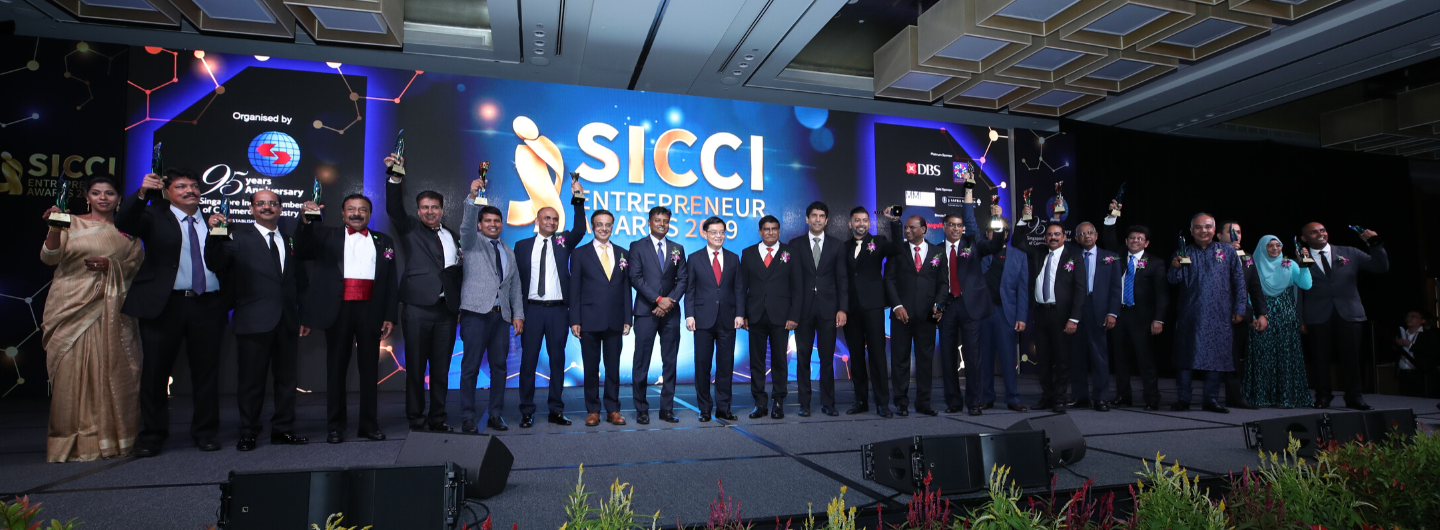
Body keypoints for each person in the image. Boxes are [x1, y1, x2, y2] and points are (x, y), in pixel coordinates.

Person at [116, 168, 230, 457]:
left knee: (206, 373)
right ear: (168, 192)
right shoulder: (153, 215)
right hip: (165, 305)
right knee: (155, 372)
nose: (190, 190)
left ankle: (205, 433)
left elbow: (227, 260)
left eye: (194, 185)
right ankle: (153, 434)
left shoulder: (216, 220)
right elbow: (124, 220)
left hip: (208, 305)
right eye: (181, 186)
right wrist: (142, 193)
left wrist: (223, 232)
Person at [40, 176, 144, 462]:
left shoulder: (128, 232)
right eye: (96, 193)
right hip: (71, 309)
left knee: (114, 372)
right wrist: (54, 228)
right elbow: (50, 258)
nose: (103, 198)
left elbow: (136, 266)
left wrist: (111, 265)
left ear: (119, 199)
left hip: (113, 312)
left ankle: (111, 440)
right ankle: (67, 443)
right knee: (70, 377)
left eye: (109, 193)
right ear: (87, 197)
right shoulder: (69, 222)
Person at [205, 190, 308, 451]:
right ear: (251, 209)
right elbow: (215, 262)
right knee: (251, 381)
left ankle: (283, 429)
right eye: (260, 203)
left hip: (286, 320)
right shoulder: (237, 237)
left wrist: (302, 315)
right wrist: (213, 234)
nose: (266, 207)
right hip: (252, 321)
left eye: (272, 203)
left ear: (281, 209)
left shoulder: (289, 240)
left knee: (287, 380)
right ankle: (249, 432)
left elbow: (297, 282)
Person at [298, 194, 399, 443]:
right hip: (337, 310)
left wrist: (389, 316)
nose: (356, 213)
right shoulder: (325, 235)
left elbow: (389, 283)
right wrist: (305, 221)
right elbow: (302, 249)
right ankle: (335, 427)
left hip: (371, 311)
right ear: (342, 214)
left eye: (362, 210)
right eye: (351, 209)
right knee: (336, 370)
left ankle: (368, 425)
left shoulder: (383, 241)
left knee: (369, 370)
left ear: (369, 214)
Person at [384, 154, 462, 433]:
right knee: (415, 368)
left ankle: (437, 418)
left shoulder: (452, 235)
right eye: (425, 207)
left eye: (435, 207)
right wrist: (395, 177)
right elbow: (393, 207)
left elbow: (456, 271)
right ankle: (416, 419)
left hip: (447, 312)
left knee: (441, 370)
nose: (430, 211)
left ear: (442, 209)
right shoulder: (409, 229)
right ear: (418, 211)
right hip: (417, 308)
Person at [514, 179, 587, 428]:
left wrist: (578, 199)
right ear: (537, 220)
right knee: (528, 362)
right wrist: (518, 313)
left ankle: (556, 409)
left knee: (557, 362)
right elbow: (516, 283)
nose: (551, 223)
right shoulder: (521, 246)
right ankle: (527, 410)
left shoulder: (562, 241)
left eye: (555, 220)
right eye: (547, 219)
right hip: (532, 311)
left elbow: (580, 229)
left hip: (558, 311)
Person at [457, 178, 524, 432]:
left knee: (499, 368)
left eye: (497, 221)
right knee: (470, 367)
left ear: (502, 224)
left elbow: (515, 285)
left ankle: (495, 414)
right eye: (488, 221)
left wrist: (518, 315)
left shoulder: (509, 251)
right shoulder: (472, 244)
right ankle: (467, 416)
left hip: (501, 318)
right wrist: (472, 197)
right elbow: (464, 227)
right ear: (480, 224)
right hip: (475, 314)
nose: (493, 224)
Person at [1299, 222, 1387, 410]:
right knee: (1320, 359)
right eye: (1313, 232)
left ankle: (1354, 397)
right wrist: (1301, 319)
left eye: (1323, 230)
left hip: (1349, 313)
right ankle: (1323, 396)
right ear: (1304, 238)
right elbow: (1297, 291)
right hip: (1316, 314)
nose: (1320, 234)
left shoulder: (1349, 252)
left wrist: (1375, 243)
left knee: (1352, 358)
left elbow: (1380, 267)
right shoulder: (1300, 258)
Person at [1168, 213, 1249, 413]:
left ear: (1214, 230)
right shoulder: (1183, 251)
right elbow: (1172, 280)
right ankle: (1183, 399)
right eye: (1198, 227)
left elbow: (1239, 282)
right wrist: (1175, 265)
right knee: (1186, 358)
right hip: (1191, 314)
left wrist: (1240, 309)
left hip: (1220, 315)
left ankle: (1211, 400)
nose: (1203, 231)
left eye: (1207, 227)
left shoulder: (1228, 251)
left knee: (1217, 357)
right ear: (1191, 231)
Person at [936, 200, 1006, 416]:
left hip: (971, 307)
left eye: (959, 225)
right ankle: (954, 401)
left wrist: (998, 225)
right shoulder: (936, 251)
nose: (956, 228)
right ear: (944, 227)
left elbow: (995, 246)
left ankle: (974, 402)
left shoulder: (973, 243)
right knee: (947, 358)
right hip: (947, 307)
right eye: (952, 225)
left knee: (973, 357)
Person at [1013, 208, 1086, 414]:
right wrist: (1023, 220)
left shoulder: (1075, 256)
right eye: (1050, 235)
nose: (1053, 237)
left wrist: (1074, 318)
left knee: (1062, 360)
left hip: (1062, 315)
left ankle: (1060, 399)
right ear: (1045, 238)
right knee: (1043, 359)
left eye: (1057, 234)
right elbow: (1018, 241)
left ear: (1064, 236)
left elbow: (1080, 290)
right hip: (1040, 313)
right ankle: (1047, 397)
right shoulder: (1038, 253)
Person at [1101, 207, 1168, 410]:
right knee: (1120, 360)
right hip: (1118, 315)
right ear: (1127, 241)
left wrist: (1159, 319)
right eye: (1132, 238)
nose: (1135, 241)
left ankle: (1152, 399)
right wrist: (1111, 216)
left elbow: (1162, 295)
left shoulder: (1155, 263)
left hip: (1142, 318)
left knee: (1145, 360)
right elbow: (1109, 237)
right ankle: (1123, 396)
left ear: (1146, 243)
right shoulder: (1118, 256)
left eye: (1140, 239)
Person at [570, 209, 632, 427]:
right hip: (588, 319)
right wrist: (575, 319)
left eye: (608, 224)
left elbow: (626, 288)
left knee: (613, 367)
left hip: (615, 319)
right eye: (599, 224)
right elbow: (574, 289)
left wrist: (628, 317)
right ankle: (593, 410)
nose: (604, 228)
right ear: (592, 227)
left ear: (612, 226)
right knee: (591, 367)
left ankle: (613, 409)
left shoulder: (624, 253)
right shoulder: (579, 254)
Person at [841, 206, 904, 417]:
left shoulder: (879, 242)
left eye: (865, 220)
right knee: (856, 356)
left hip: (873, 307)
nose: (861, 224)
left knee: (877, 356)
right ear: (850, 224)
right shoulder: (843, 247)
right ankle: (861, 401)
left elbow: (897, 248)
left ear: (869, 223)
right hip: (851, 309)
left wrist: (894, 222)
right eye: (857, 220)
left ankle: (882, 403)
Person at [883, 215, 948, 416]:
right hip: (902, 314)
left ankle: (923, 402)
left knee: (925, 361)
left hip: (928, 314)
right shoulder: (897, 251)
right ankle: (901, 402)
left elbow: (943, 283)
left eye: (912, 228)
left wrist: (939, 306)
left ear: (924, 229)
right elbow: (889, 281)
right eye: (906, 228)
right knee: (900, 360)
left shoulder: (938, 252)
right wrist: (897, 306)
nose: (908, 231)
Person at [627, 206, 686, 425]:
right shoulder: (637, 246)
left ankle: (666, 409)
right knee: (641, 361)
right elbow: (635, 277)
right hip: (645, 311)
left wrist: (669, 302)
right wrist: (658, 300)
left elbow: (683, 280)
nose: (662, 224)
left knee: (670, 361)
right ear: (649, 222)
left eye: (666, 221)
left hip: (670, 313)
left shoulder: (677, 248)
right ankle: (641, 408)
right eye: (657, 220)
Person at [789, 202, 848, 417]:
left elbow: (842, 280)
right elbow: (791, 281)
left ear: (827, 220)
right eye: (813, 215)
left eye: (822, 216)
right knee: (802, 357)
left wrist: (842, 309)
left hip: (828, 310)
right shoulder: (794, 245)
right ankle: (804, 404)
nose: (817, 219)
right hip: (803, 311)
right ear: (806, 219)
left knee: (826, 359)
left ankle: (828, 403)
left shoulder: (837, 245)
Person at [685, 217, 745, 422]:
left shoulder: (733, 258)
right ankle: (704, 408)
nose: (718, 236)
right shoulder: (694, 258)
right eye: (714, 232)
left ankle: (724, 407)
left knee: (725, 365)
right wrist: (689, 315)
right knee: (702, 365)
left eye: (722, 232)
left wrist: (740, 314)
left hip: (728, 319)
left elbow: (739, 289)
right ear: (705, 234)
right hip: (702, 319)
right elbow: (690, 289)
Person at [740, 215, 800, 419]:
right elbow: (741, 288)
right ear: (760, 232)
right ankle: (760, 403)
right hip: (755, 316)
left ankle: (778, 401)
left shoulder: (790, 253)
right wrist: (743, 314)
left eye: (774, 229)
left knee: (779, 361)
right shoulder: (747, 253)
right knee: (757, 362)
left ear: (779, 231)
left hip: (781, 317)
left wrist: (794, 315)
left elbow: (797, 288)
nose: (770, 232)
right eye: (766, 229)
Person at [1244, 235, 1312, 409]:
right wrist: (1252, 315)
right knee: (1262, 356)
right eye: (1270, 246)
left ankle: (1286, 398)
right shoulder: (1253, 266)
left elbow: (1306, 285)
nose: (1275, 249)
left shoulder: (1290, 265)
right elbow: (1251, 292)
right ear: (1262, 248)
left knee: (1285, 356)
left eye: (1278, 245)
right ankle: (1262, 397)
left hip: (1286, 316)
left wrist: (1304, 266)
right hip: (1262, 314)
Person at [977, 216, 1029, 412]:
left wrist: (1021, 317)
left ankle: (1013, 398)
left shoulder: (1019, 256)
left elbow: (1023, 290)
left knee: (1008, 359)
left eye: (999, 230)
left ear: (1006, 234)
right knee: (985, 358)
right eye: (990, 230)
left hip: (1006, 313)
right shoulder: (981, 253)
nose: (994, 233)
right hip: (983, 312)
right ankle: (987, 396)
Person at [1068, 221, 1122, 412]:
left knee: (1099, 356)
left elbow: (1116, 288)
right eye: (1082, 234)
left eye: (1090, 232)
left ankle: (1101, 398)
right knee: (1076, 355)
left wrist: (1112, 312)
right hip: (1076, 309)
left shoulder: (1111, 257)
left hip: (1099, 309)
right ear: (1077, 238)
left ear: (1097, 235)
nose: (1087, 236)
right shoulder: (1072, 256)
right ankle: (1080, 396)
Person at [1218, 222, 1268, 410]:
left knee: (1235, 357)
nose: (1235, 235)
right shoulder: (1215, 255)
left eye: (1238, 232)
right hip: (1216, 315)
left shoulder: (1247, 258)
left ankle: (1235, 398)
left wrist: (1262, 313)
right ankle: (1209, 397)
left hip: (1240, 316)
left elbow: (1255, 288)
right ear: (1219, 236)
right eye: (1230, 232)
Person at [1394, 311, 1435, 398]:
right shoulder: (1401, 333)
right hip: (1403, 374)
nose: (1409, 318)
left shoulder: (1428, 335)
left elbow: (1431, 352)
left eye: (1413, 316)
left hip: (1420, 375)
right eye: (1408, 316)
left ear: (1422, 320)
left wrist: (1410, 345)